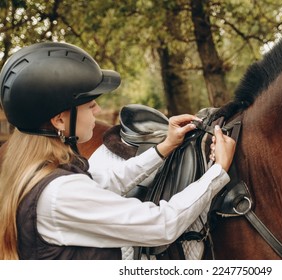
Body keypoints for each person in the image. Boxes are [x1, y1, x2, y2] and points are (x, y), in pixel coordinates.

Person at [0, 42, 236, 260]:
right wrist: (217, 171)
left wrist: (165, 146)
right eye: (90, 105)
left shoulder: (38, 173)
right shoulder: (59, 193)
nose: (98, 109)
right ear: (60, 121)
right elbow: (161, 225)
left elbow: (109, 182)